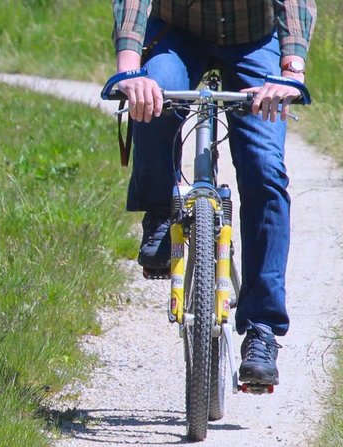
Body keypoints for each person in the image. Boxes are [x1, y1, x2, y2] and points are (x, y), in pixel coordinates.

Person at [111, 0, 316, 388]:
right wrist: (128, 69)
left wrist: (290, 71)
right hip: (176, 34)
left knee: (265, 171)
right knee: (153, 98)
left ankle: (262, 331)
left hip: (254, 41)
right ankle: (159, 212)